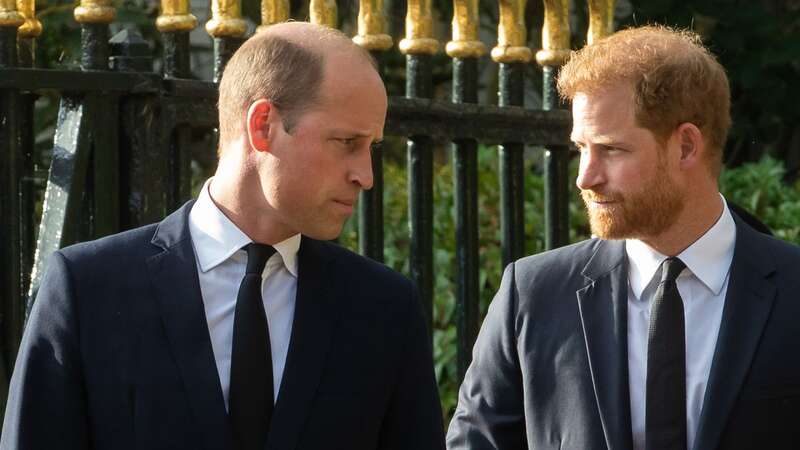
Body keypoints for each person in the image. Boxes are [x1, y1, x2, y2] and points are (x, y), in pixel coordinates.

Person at [2, 22, 445, 450]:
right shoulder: (88, 289)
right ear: (263, 126)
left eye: (373, 147)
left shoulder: (384, 310)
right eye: (347, 141)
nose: (365, 176)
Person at [447, 25, 800, 450]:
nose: (585, 177)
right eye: (582, 147)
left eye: (611, 149)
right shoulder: (534, 294)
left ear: (686, 146)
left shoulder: (792, 290)